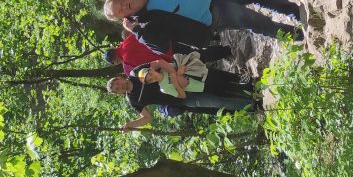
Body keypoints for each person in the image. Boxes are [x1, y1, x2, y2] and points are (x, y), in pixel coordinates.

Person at [104, 0, 303, 47]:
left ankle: (297, 12)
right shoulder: (146, 24)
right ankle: (298, 35)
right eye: (119, 10)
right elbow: (161, 47)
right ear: (123, 17)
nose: (123, 6)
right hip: (213, 14)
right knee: (258, 22)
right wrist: (137, 32)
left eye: (119, 2)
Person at [107, 68, 255, 131]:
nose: (120, 88)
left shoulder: (135, 73)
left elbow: (157, 65)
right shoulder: (133, 100)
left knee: (218, 86)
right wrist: (130, 125)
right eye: (117, 90)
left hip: (184, 80)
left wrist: (177, 74)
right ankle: (253, 104)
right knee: (217, 102)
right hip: (182, 100)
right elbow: (147, 118)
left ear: (120, 78)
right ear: (118, 94)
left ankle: (251, 90)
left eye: (118, 84)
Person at [104, 32, 232, 76]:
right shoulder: (127, 40)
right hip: (167, 42)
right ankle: (219, 43)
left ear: (114, 61)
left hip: (167, 56)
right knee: (193, 46)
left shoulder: (128, 60)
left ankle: (226, 51)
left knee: (197, 58)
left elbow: (150, 61)